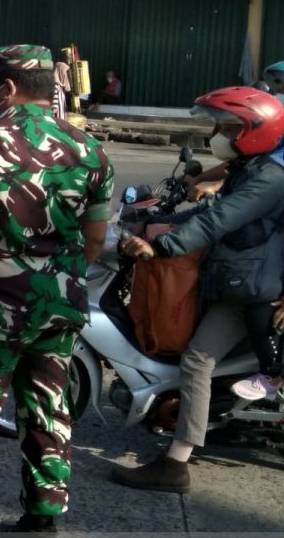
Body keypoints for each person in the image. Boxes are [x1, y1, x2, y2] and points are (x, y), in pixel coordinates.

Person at [0, 44, 113, 534]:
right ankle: (43, 519)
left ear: (7, 88)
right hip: (60, 305)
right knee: (48, 410)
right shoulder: (90, 150)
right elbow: (95, 238)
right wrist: (59, 280)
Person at [113, 86, 284, 494]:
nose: (217, 135)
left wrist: (159, 245)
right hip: (237, 282)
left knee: (198, 360)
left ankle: (176, 464)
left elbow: (218, 221)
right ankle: (177, 462)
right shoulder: (251, 168)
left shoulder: (270, 178)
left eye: (227, 126)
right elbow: (208, 209)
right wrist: (155, 219)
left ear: (255, 130)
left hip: (256, 290)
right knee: (194, 359)